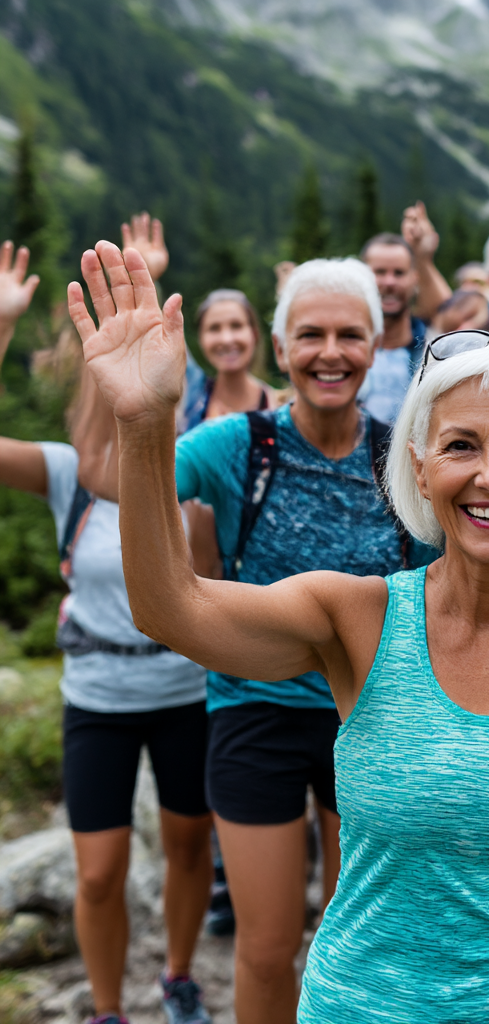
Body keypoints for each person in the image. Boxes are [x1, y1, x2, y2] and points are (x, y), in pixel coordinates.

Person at [69, 239, 489, 1023]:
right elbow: (172, 608)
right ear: (421, 470)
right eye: (462, 445)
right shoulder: (357, 619)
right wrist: (145, 422)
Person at [77, 252, 434, 1024]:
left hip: (370, 718)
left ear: (376, 345)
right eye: (310, 335)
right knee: (268, 952)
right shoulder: (243, 445)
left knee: (360, 944)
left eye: (349, 335)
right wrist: (140, 414)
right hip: (254, 712)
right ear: (281, 348)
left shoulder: (403, 459)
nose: (330, 353)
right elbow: (118, 482)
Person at [0, 241, 213, 1024]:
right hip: (96, 697)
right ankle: (105, 1008)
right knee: (97, 874)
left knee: (191, 847)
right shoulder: (64, 474)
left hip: (185, 688)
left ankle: (182, 978)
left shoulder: (191, 468)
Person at [358, 202, 452, 424]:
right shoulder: (343, 347)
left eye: (399, 273)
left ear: (414, 279)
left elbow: (449, 313)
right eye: (379, 272)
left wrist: (423, 256)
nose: (389, 282)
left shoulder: (432, 350)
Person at [178, 289, 278, 432]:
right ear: (201, 338)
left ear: (254, 334)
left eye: (236, 326)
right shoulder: (186, 406)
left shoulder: (280, 407)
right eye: (214, 328)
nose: (226, 339)